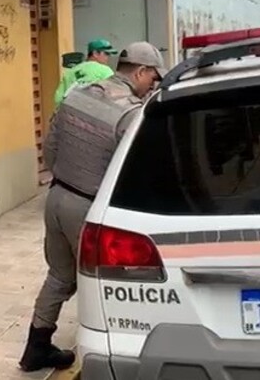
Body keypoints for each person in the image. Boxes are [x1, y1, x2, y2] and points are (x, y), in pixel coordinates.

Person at [20, 41, 167, 372]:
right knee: (98, 280)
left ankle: (36, 347)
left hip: (56, 198)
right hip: (87, 208)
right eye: (152, 79)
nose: (152, 86)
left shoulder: (79, 93)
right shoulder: (130, 113)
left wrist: (64, 178)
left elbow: (50, 147)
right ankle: (105, 352)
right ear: (141, 71)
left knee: (59, 275)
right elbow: (136, 172)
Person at [53, 38, 119, 104]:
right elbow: (115, 95)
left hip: (70, 111)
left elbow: (58, 98)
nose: (108, 57)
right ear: (95, 53)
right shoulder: (105, 71)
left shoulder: (71, 71)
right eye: (106, 54)